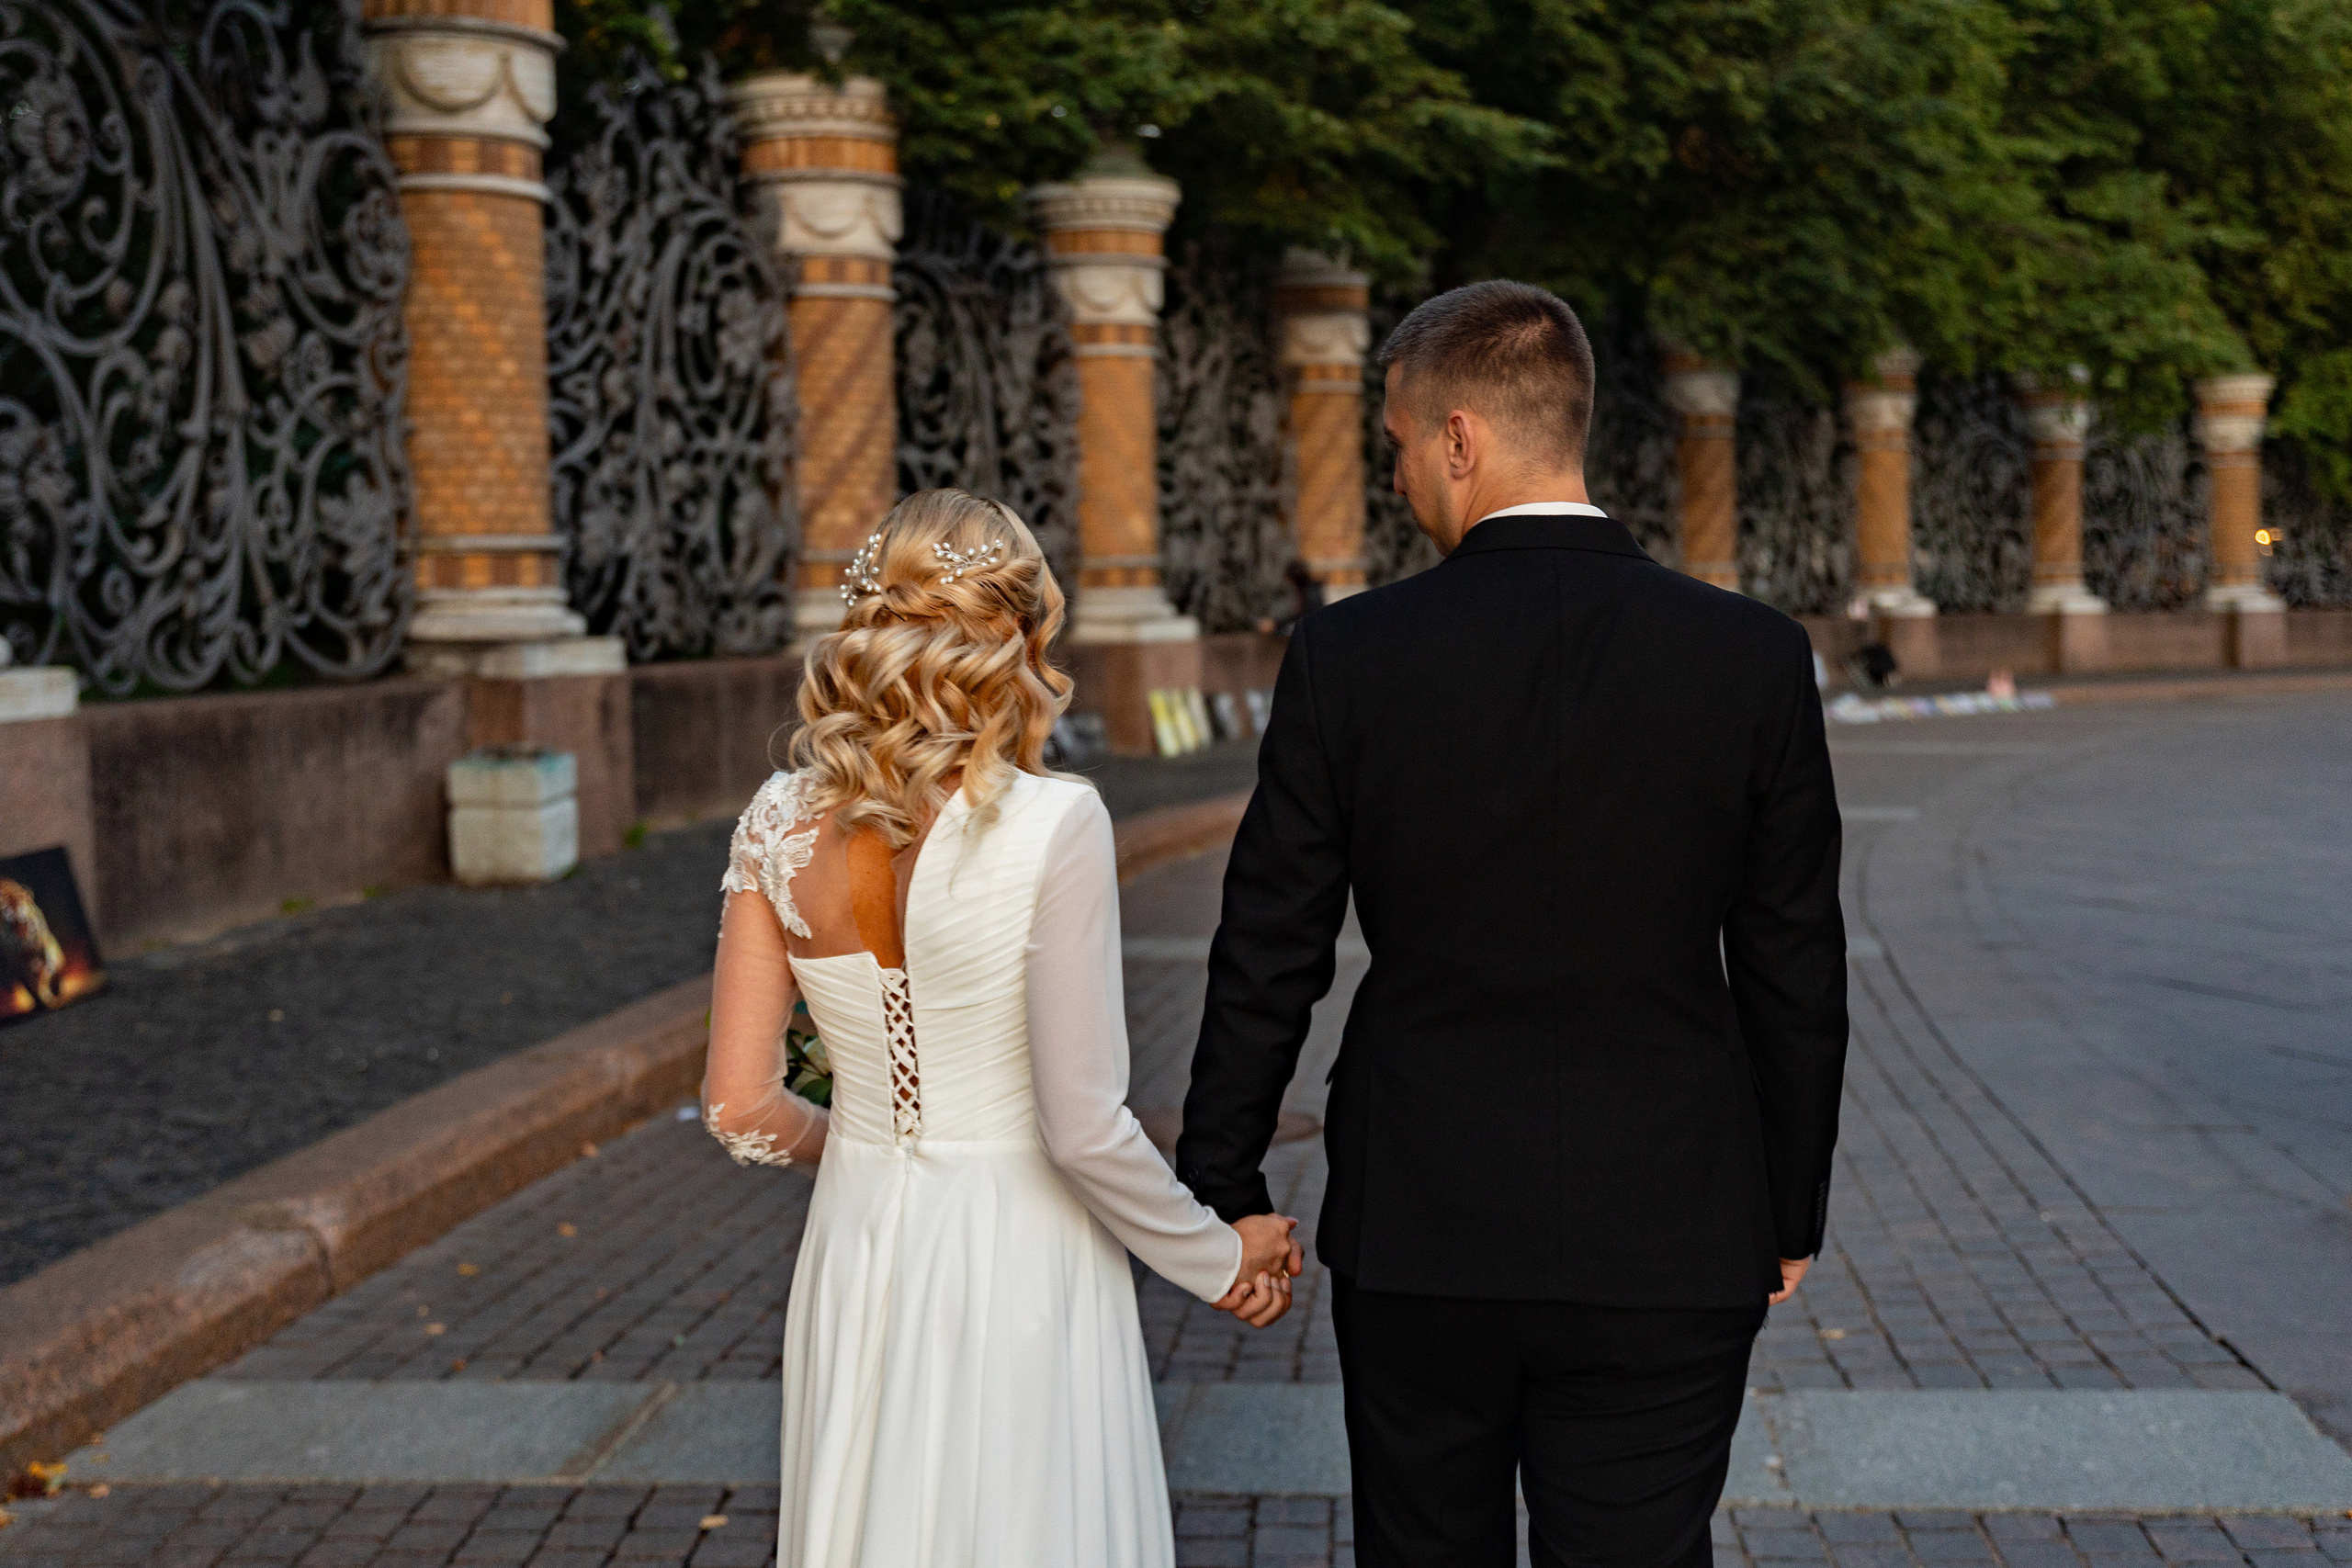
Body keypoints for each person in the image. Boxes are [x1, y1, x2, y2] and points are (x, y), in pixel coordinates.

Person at [1177, 282, 1849, 1568]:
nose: (1394, 474)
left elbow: (1270, 946)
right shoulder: (1752, 655)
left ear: (1460, 437)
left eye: (1394, 442)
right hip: (1669, 1217)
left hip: (1422, 1216)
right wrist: (1786, 1205)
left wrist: (1223, 1183)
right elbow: (1793, 962)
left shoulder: (1348, 655)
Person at [704, 488, 1303, 1568]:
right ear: (1020, 638)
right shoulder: (1052, 823)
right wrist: (1219, 1257)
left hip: (858, 1243)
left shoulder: (775, 822)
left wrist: (864, 1144)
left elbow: (739, 1106)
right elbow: (1082, 1128)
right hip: (1020, 1250)